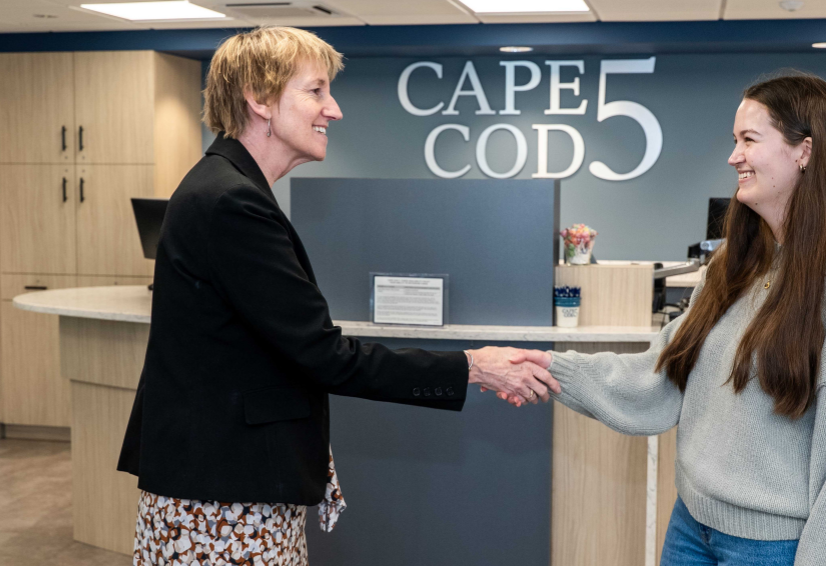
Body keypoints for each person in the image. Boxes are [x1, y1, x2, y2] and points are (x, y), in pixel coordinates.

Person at [117, 26, 557, 565]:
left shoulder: (226, 189)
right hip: (223, 501)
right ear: (259, 99)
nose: (335, 109)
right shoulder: (231, 203)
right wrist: (473, 366)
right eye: (316, 91)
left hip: (226, 486)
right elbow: (325, 356)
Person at [502, 74, 826, 565]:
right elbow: (664, 373)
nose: (733, 156)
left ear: (804, 151)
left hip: (772, 547)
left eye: (749, 139)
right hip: (692, 526)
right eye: (734, 140)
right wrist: (550, 369)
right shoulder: (736, 263)